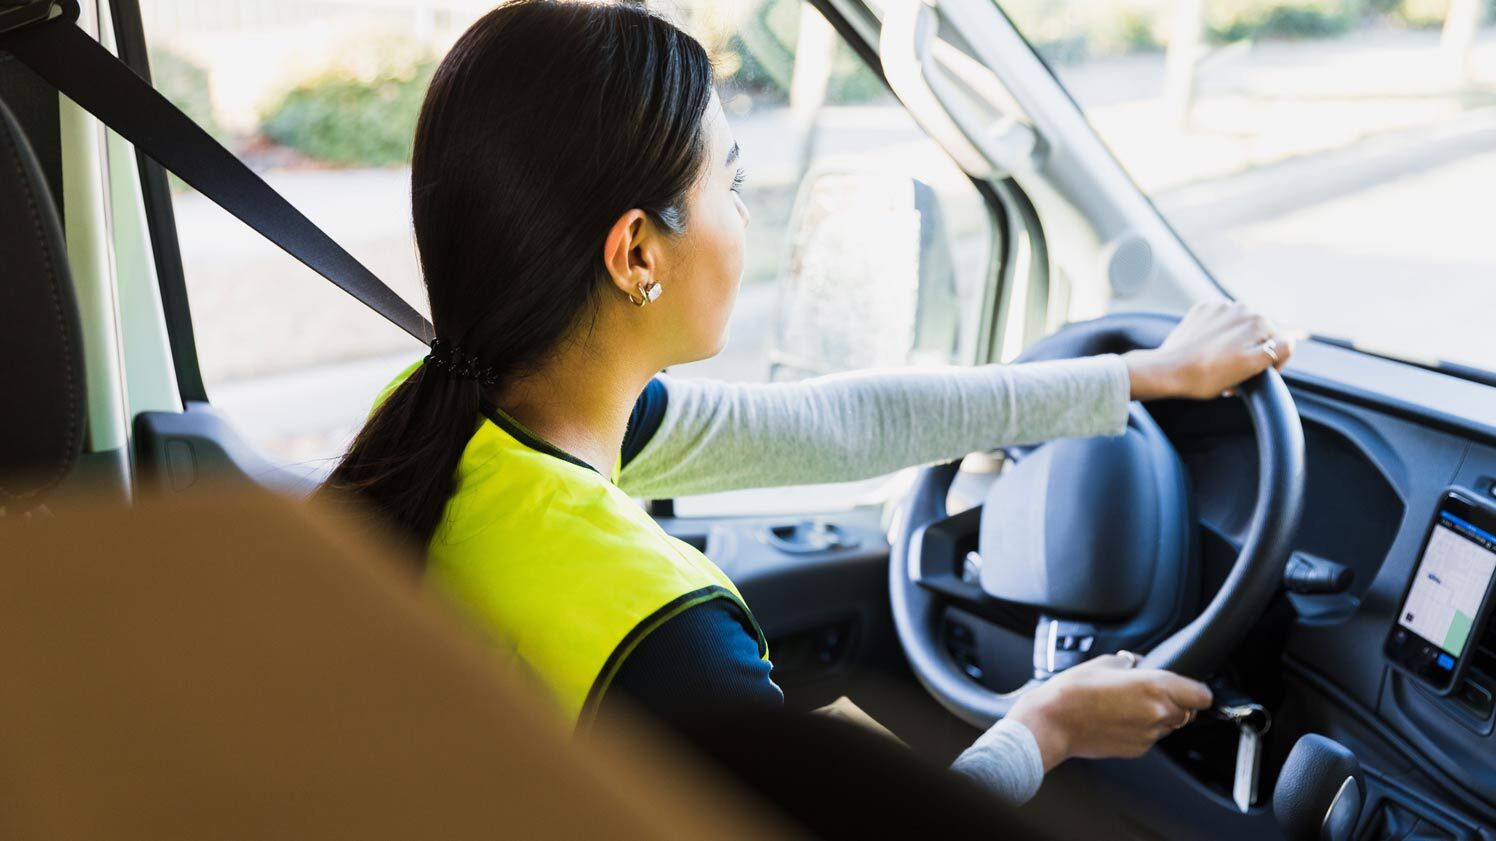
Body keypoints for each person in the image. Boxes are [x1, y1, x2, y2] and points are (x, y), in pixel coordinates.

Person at [320, 0, 1292, 807]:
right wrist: (1046, 726)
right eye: (730, 182)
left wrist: (1136, 377)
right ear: (637, 253)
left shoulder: (442, 417)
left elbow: (835, 425)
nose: (745, 216)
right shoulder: (661, 631)